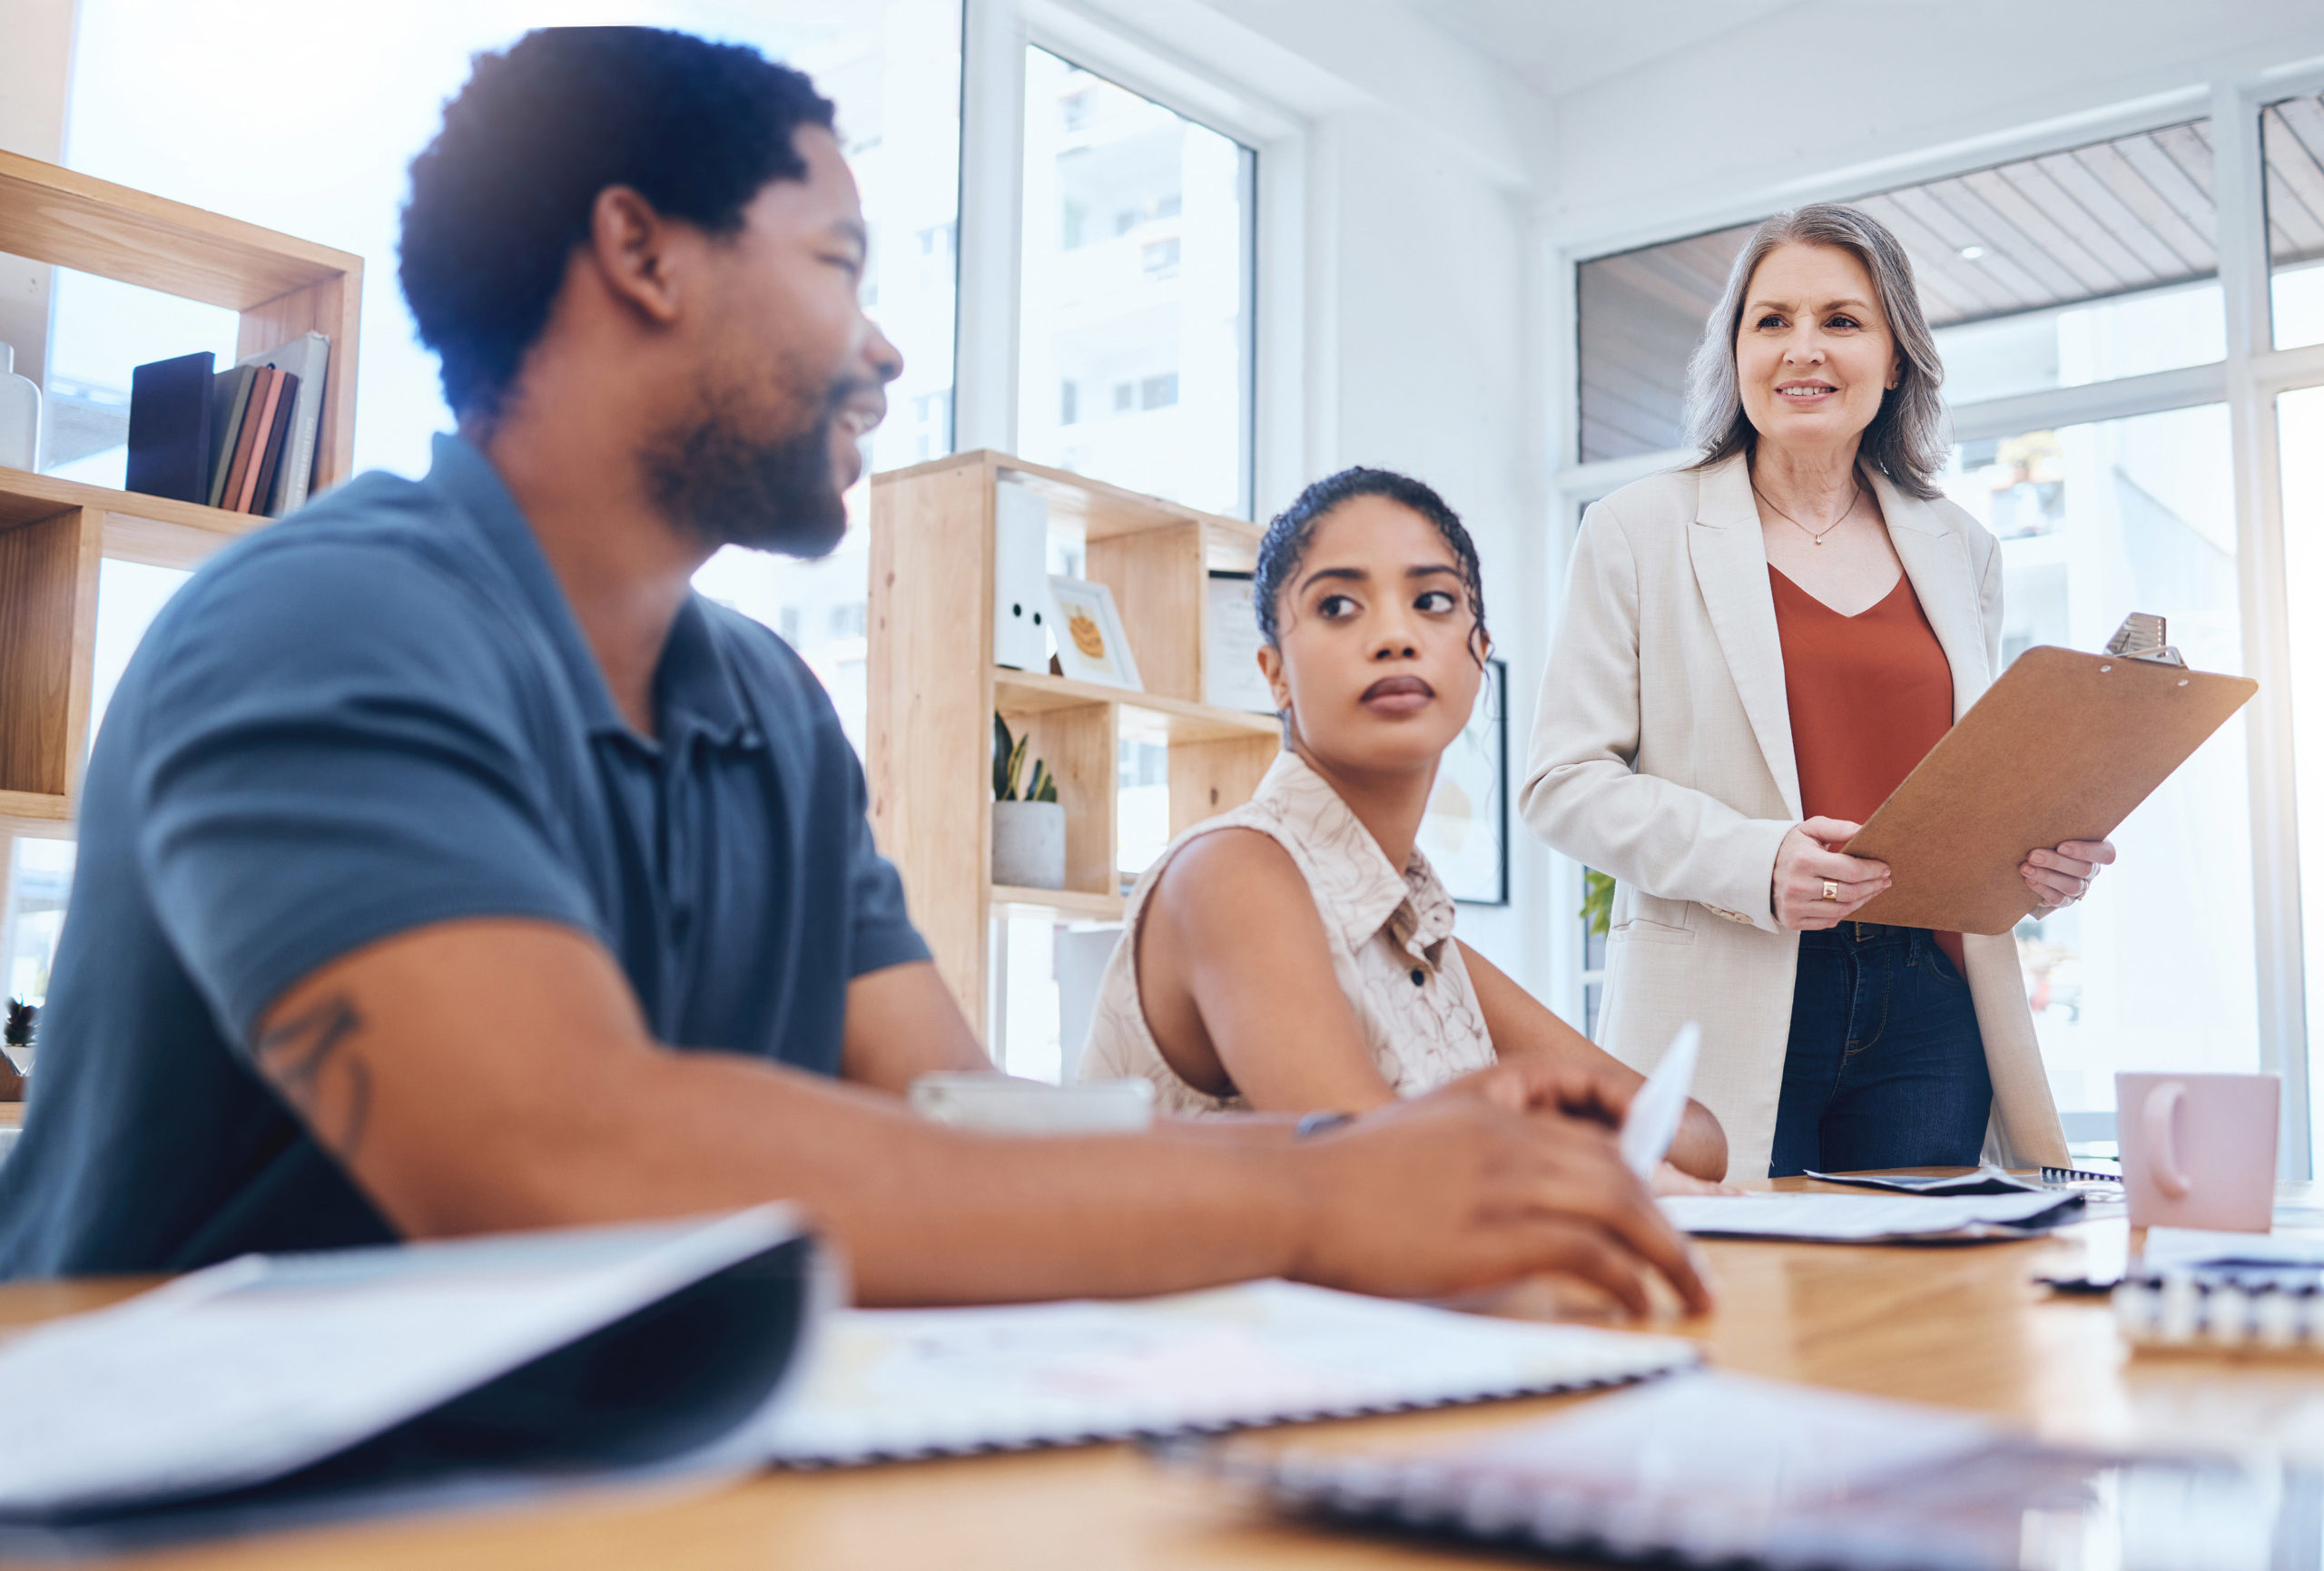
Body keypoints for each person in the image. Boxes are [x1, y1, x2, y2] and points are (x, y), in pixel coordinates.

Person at [0, 28, 1709, 1317]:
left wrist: (1381, 1157)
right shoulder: (324, 628)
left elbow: (961, 1124)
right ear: (641, 252)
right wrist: (1321, 1210)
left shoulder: (763, 716)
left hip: (608, 1467)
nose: (885, 348)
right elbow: (554, 1161)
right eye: (837, 269)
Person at [1521, 203, 2099, 1181]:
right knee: (1734, 1300)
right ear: (1735, 352)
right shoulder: (1635, 530)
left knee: (1914, 1313)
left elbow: (1963, 780)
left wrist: (2034, 856)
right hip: (1725, 983)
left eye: (1840, 320)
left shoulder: (1962, 550)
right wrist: (1756, 861)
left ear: (1895, 357)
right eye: (1770, 320)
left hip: (1928, 1000)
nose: (1802, 349)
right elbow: (1561, 783)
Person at [1079, 467, 1728, 1189]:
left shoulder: (1417, 928)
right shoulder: (1232, 874)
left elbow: (1693, 1138)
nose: (1393, 635)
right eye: (1337, 606)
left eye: (1431, 601)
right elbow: (1380, 1181)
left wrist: (1530, 1125)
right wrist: (1552, 1131)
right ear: (1276, 675)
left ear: (1479, 655)